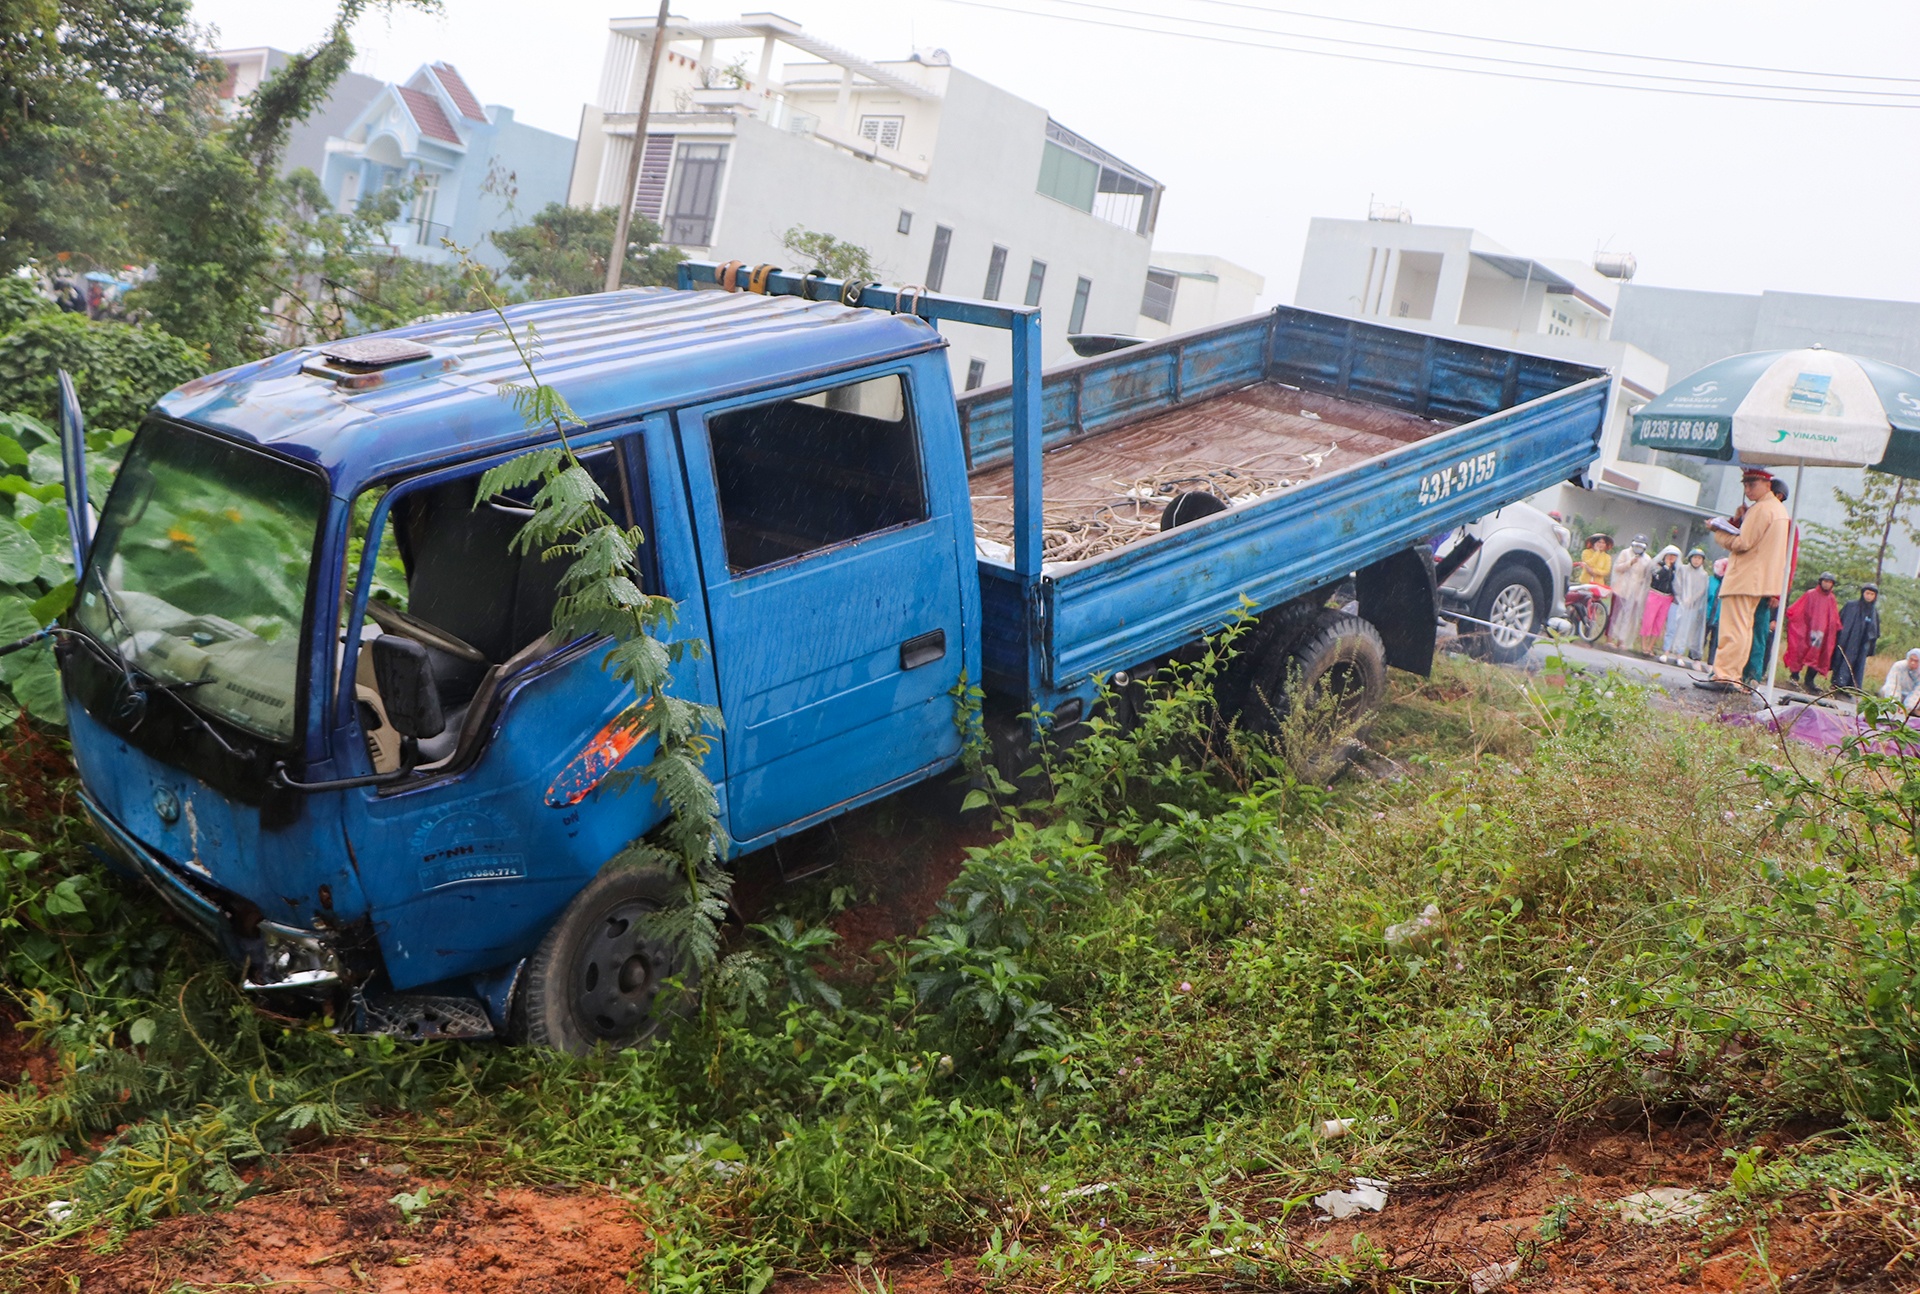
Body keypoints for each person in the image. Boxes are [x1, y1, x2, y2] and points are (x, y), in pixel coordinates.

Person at [1700, 467, 1792, 691]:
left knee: (1733, 629)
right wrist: (1740, 519)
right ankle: (1732, 675)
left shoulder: (1761, 509)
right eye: (1745, 484)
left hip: (1745, 576)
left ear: (1767, 484)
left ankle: (1725, 675)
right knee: (1742, 628)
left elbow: (1743, 543)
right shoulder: (1777, 509)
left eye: (1752, 484)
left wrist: (1719, 531)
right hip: (1757, 579)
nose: (1747, 488)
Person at [1783, 572, 1843, 691]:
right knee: (1799, 651)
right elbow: (1799, 610)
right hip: (1806, 630)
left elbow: (1833, 617)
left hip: (1821, 634)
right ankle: (1794, 676)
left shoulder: (1831, 598)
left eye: (1829, 582)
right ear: (1820, 581)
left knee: (1817, 656)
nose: (1826, 584)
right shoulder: (1810, 594)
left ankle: (1809, 681)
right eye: (1825, 581)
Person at [1663, 548, 1710, 665]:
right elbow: (1676, 584)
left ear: (1702, 561)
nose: (1696, 560)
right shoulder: (1682, 569)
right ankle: (1666, 652)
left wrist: (1691, 599)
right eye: (1694, 558)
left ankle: (1679, 654)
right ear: (1690, 558)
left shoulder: (1704, 575)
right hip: (1677, 603)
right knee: (1671, 628)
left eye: (1699, 558)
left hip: (1691, 607)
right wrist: (1681, 598)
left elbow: (1701, 590)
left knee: (1685, 631)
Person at [1832, 582, 1881, 691]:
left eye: (1872, 594)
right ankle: (1837, 684)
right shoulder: (1851, 605)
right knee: (1842, 660)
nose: (1869, 596)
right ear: (1863, 593)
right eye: (1867, 593)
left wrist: (1870, 646)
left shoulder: (1874, 612)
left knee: (1857, 666)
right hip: (1847, 640)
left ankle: (1849, 687)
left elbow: (1875, 632)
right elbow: (1840, 621)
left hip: (1862, 644)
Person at [1608, 535, 1654, 650]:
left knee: (1628, 616)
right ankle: (1610, 638)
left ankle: (1621, 640)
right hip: (1621, 588)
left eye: (1641, 546)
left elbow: (1646, 576)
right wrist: (1630, 563)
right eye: (1636, 545)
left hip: (1635, 591)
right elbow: (1617, 568)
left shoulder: (1647, 559)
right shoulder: (1625, 553)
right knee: (1615, 614)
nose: (1638, 548)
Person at [1640, 545, 1681, 654]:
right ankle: (1644, 645)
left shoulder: (1676, 570)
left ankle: (1650, 647)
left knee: (1659, 623)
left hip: (1667, 598)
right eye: (1670, 555)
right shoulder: (1657, 565)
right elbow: (1657, 578)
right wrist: (1666, 567)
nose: (1672, 558)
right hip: (1655, 594)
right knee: (1648, 620)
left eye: (1674, 556)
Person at [1703, 556, 1727, 665]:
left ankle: (1711, 662)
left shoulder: (1728, 584)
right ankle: (1696, 658)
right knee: (1702, 637)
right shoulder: (1710, 580)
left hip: (1721, 617)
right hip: (1707, 614)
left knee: (1715, 641)